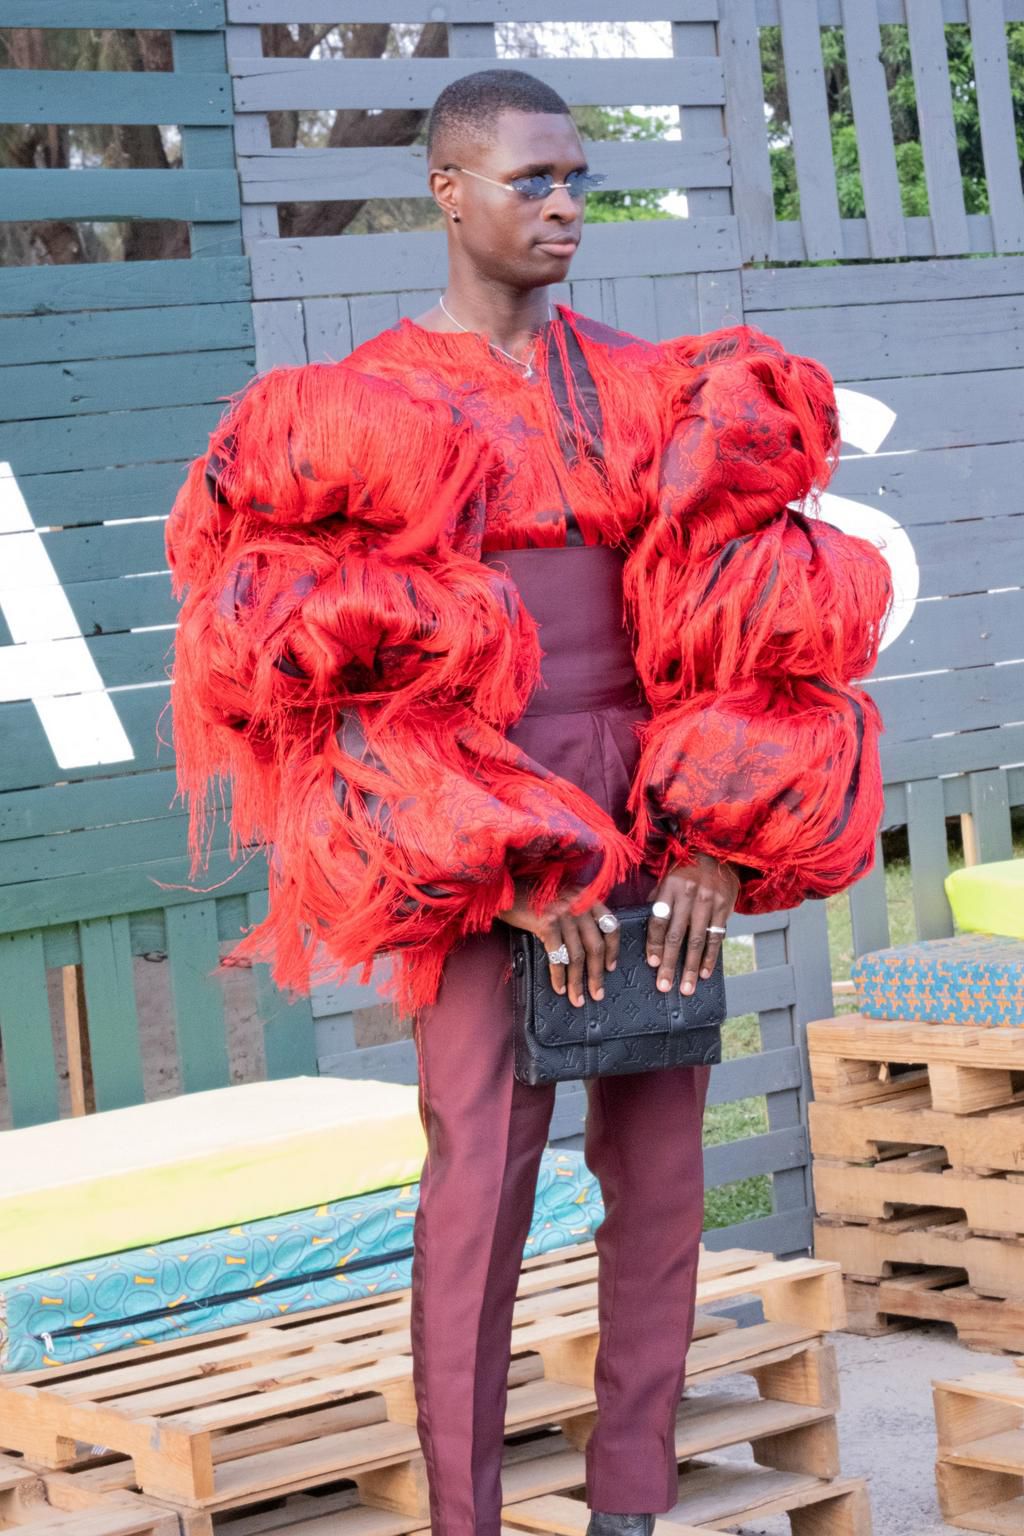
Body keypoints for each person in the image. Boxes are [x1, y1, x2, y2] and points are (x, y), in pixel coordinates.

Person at [165, 68, 892, 1536]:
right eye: (532, 181)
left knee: (664, 1167)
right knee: (480, 1168)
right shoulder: (359, 402)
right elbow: (334, 670)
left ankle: (632, 1502)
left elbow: (739, 619)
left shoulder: (657, 387)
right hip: (463, 798)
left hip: (658, 793)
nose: (565, 207)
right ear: (449, 191)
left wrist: (714, 839)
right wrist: (500, 860)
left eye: (579, 182)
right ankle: (468, 1518)